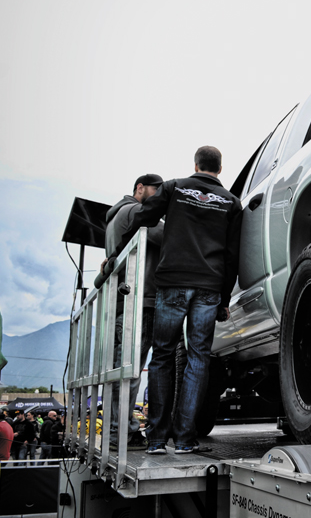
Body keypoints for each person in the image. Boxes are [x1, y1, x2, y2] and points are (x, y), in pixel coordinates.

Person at [121, 146, 242, 455]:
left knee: (162, 355)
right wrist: (224, 298)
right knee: (198, 358)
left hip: (172, 281)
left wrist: (120, 246)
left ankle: (158, 439)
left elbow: (145, 215)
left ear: (196, 164)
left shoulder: (174, 187)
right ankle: (186, 439)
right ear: (219, 168)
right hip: (209, 287)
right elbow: (232, 255)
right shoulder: (231, 202)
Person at [103, 173, 169, 450]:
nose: (159, 199)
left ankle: (118, 430)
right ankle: (122, 432)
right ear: (140, 188)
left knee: (125, 369)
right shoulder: (133, 211)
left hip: (125, 300)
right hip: (138, 300)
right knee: (130, 371)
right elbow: (169, 236)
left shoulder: (118, 215)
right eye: (156, 192)